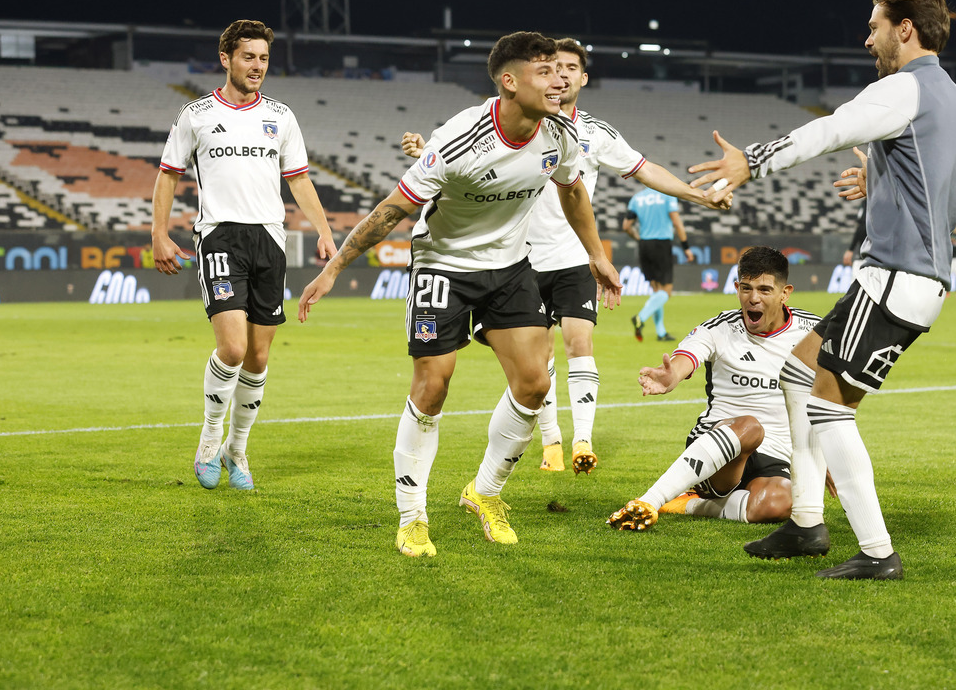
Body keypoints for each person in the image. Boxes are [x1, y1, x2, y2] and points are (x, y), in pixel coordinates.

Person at [690, 0, 956, 580]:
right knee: (798, 370)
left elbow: (829, 129)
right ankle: (807, 523)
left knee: (828, 406)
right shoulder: (949, 97)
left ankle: (877, 553)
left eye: (874, 26)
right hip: (900, 280)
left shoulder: (906, 87)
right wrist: (881, 184)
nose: (866, 38)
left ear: (905, 28)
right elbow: (936, 187)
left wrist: (752, 161)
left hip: (897, 280)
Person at [298, 31, 623, 558]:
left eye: (561, 71)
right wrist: (334, 269)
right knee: (433, 387)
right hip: (442, 265)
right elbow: (392, 210)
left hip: (510, 265)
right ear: (510, 82)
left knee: (536, 383)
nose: (559, 79)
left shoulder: (561, 133)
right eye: (544, 71)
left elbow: (573, 191)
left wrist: (597, 254)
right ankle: (412, 517)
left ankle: (485, 492)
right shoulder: (461, 139)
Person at [401, 38, 727, 475]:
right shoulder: (509, 116)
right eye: (556, 67)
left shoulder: (592, 132)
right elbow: (460, 155)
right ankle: (551, 440)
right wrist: (426, 151)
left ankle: (583, 440)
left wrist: (696, 196)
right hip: (519, 257)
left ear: (583, 78)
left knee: (579, 340)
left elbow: (644, 169)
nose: (564, 75)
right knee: (541, 360)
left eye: (572, 67)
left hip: (572, 255)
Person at [152, 19, 336, 491]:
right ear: (226, 59)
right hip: (219, 236)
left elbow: (298, 179)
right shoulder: (194, 115)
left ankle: (239, 450)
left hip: (269, 240)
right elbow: (169, 174)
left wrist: (323, 231)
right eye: (249, 57)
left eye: (264, 58)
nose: (257, 66)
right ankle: (209, 442)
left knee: (256, 357)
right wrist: (159, 234)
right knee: (232, 348)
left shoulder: (281, 115)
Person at [607, 246, 824, 530]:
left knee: (780, 502)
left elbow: (830, 396)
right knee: (750, 427)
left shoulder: (814, 332)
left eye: (764, 290)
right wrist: (670, 377)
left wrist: (823, 453)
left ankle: (691, 504)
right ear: (736, 287)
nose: (753, 298)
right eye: (746, 288)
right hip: (718, 449)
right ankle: (650, 500)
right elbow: (686, 359)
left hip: (775, 454)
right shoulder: (720, 328)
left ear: (785, 293)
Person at [623, 187, 695, 343]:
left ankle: (661, 333)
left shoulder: (637, 198)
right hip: (661, 244)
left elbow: (626, 226)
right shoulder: (667, 195)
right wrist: (686, 248)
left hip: (644, 245)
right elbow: (677, 222)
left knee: (657, 291)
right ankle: (640, 317)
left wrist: (639, 238)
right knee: (666, 292)